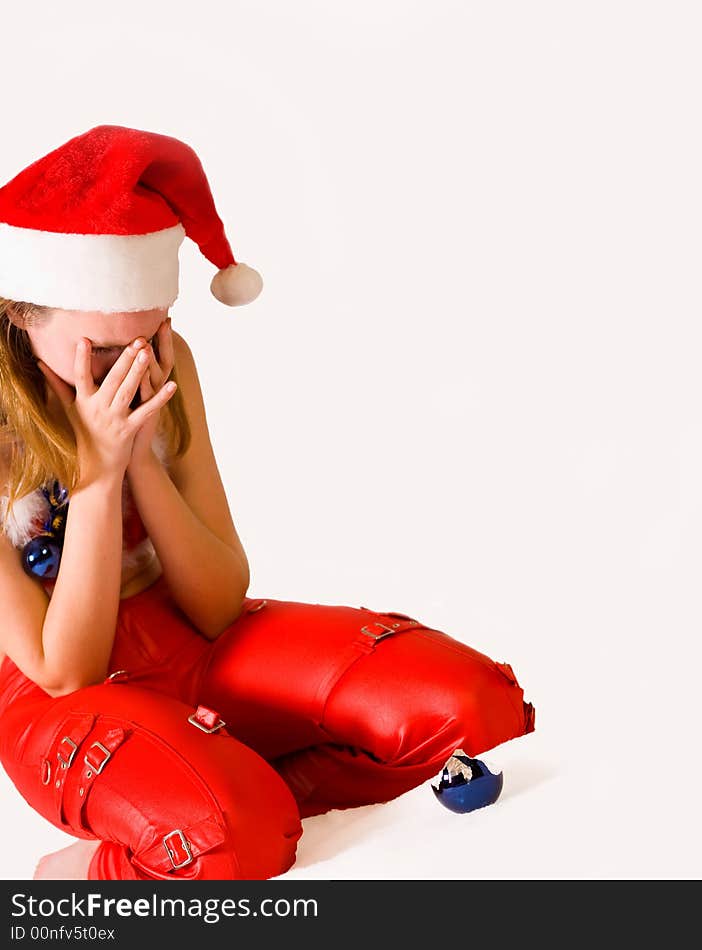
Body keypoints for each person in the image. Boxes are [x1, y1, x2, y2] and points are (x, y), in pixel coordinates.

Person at [0, 125, 536, 880]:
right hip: (61, 694)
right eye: (101, 347)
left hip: (191, 639)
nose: (134, 364)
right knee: (237, 843)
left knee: (474, 711)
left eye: (152, 332)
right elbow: (66, 670)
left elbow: (219, 603)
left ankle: (231, 783)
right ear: (23, 313)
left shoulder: (167, 360)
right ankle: (99, 862)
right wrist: (96, 472)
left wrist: (142, 463)